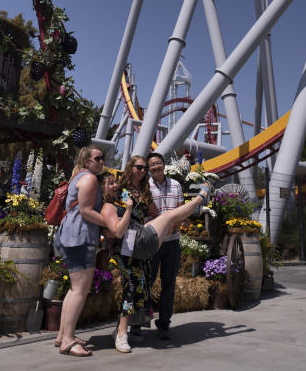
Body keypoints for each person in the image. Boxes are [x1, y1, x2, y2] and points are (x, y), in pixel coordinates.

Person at [98, 165, 211, 346]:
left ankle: (122, 328)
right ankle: (121, 333)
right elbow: (117, 232)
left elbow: (140, 215)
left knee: (139, 290)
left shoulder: (119, 200)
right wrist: (128, 210)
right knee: (130, 290)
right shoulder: (108, 208)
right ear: (101, 188)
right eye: (110, 183)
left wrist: (129, 207)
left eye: (115, 182)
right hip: (135, 246)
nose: (114, 185)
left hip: (137, 247)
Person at [51, 146, 110, 357]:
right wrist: (111, 223)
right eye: (98, 158)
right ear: (87, 162)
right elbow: (86, 211)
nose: (102, 162)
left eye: (103, 158)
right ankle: (68, 340)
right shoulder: (90, 179)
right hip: (81, 237)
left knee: (73, 289)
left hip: (70, 235)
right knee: (79, 290)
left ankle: (62, 335)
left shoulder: (77, 177)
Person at [109, 156, 159, 352]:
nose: (143, 171)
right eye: (139, 167)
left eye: (145, 168)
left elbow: (154, 212)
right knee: (132, 284)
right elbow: (115, 212)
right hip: (127, 239)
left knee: (142, 284)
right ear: (131, 168)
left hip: (141, 240)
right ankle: (122, 332)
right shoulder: (122, 190)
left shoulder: (145, 191)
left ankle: (122, 329)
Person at [147, 151, 184, 340]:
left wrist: (172, 228)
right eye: (152, 164)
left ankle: (164, 324)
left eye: (158, 163)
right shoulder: (146, 186)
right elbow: (148, 212)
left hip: (172, 242)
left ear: (164, 164)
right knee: (148, 281)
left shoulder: (176, 185)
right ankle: (140, 321)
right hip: (153, 243)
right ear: (148, 168)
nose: (156, 167)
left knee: (169, 284)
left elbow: (180, 211)